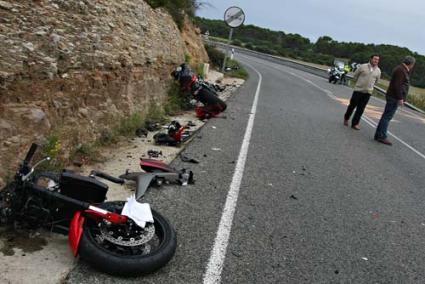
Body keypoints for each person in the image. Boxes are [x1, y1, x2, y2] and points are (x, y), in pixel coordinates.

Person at [374, 56, 416, 145]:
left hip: (393, 96)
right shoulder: (401, 70)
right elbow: (398, 85)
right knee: (387, 117)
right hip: (394, 97)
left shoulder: (401, 69)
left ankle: (378, 135)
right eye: (413, 64)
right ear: (411, 64)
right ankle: (382, 136)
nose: (413, 66)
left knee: (385, 116)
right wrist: (400, 98)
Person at [344, 55, 381, 130]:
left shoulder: (378, 71)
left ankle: (355, 124)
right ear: (370, 59)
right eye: (375, 59)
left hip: (368, 92)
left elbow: (376, 81)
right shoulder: (363, 66)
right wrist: (359, 84)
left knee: (361, 109)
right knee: (352, 106)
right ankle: (346, 118)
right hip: (358, 90)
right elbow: (355, 76)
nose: (376, 61)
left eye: (377, 60)